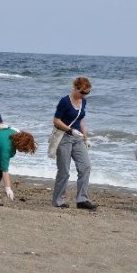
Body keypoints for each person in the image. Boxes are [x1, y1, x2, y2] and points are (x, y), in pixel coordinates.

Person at [51, 77, 98, 210]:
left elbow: (81, 120)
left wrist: (86, 138)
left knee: (86, 166)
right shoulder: (64, 101)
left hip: (78, 138)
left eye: (87, 93)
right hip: (64, 137)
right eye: (83, 92)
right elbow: (56, 120)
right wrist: (70, 130)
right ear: (75, 88)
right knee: (64, 171)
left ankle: (82, 200)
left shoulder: (83, 101)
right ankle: (58, 201)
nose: (84, 95)